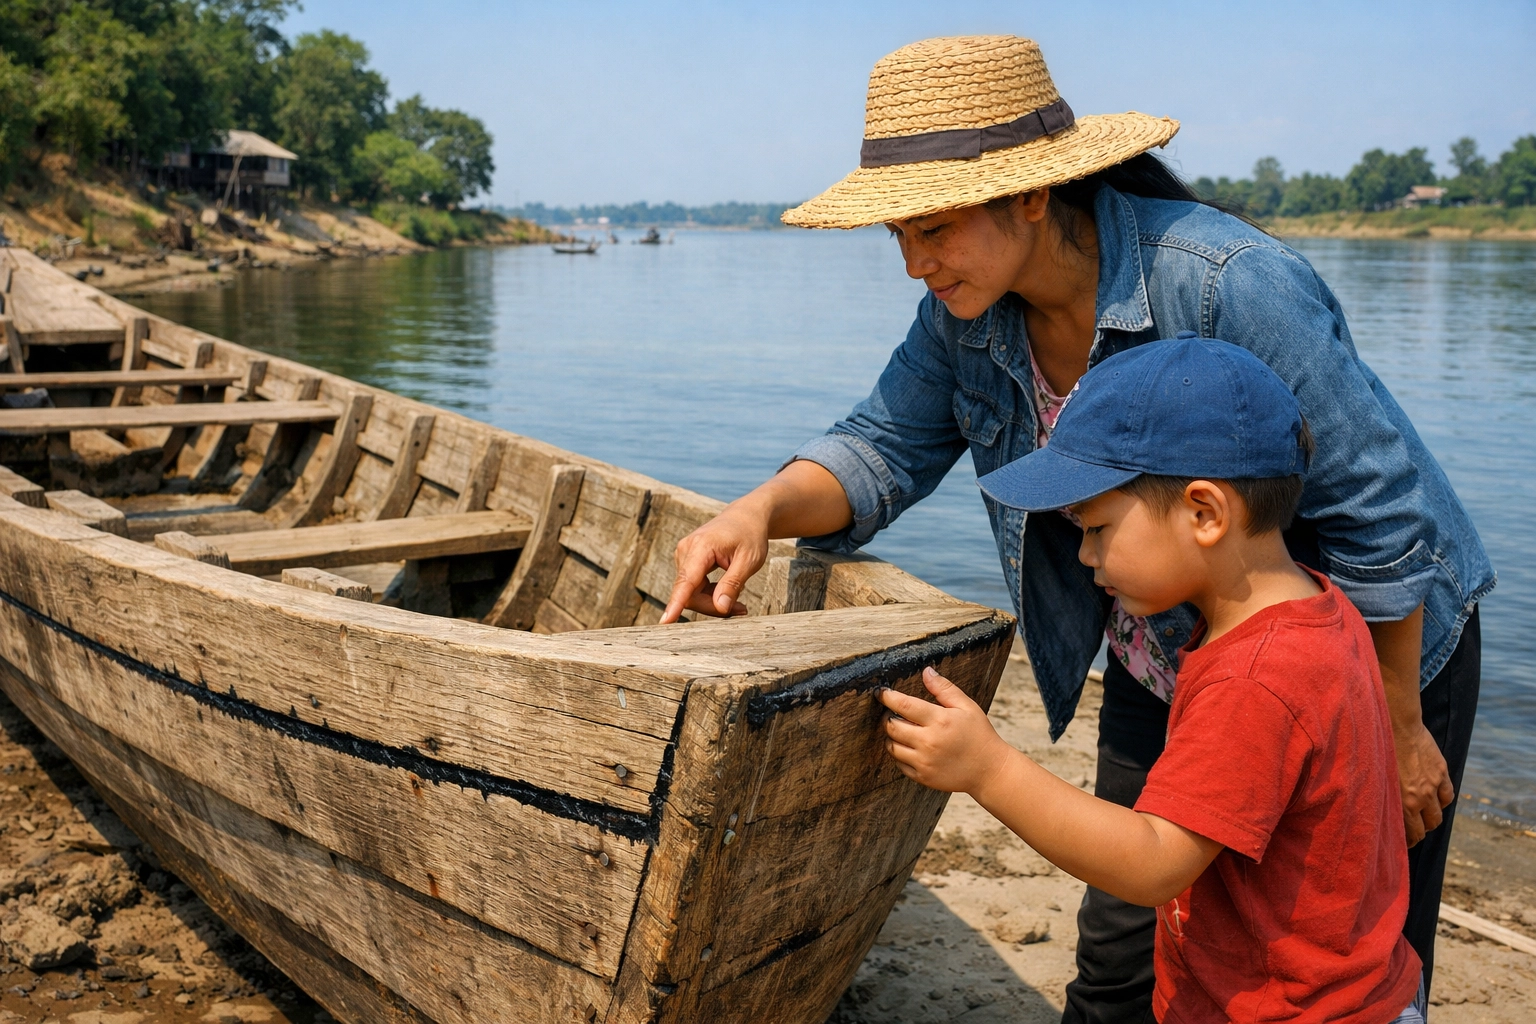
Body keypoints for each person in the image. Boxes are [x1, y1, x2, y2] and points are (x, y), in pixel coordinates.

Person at [662, 34, 1492, 1022]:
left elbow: (1385, 525)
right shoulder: (963, 316)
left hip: (1358, 653)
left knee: (1344, 949)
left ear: (1030, 196)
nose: (916, 263)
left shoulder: (1227, 282)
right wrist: (758, 510)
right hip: (1164, 650)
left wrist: (1399, 720)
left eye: (933, 228)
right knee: (1126, 957)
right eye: (898, 237)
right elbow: (880, 447)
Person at [880, 336, 1426, 1024]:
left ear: (1204, 513)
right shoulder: (1321, 608)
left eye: (1099, 527)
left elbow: (1153, 864)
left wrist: (986, 768)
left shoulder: (1256, 678)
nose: (1084, 555)